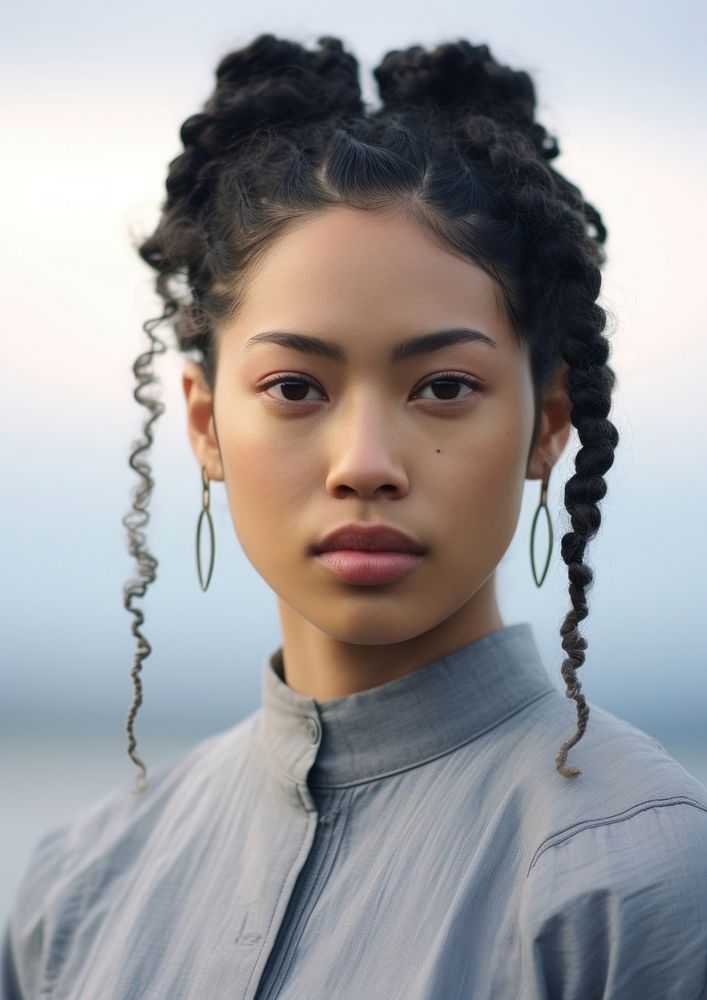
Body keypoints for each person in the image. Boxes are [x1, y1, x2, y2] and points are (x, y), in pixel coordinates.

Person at [3, 32, 706, 1000]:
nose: (364, 464)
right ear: (206, 425)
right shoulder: (78, 891)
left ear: (546, 425)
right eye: (295, 385)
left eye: (443, 386)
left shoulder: (641, 879)